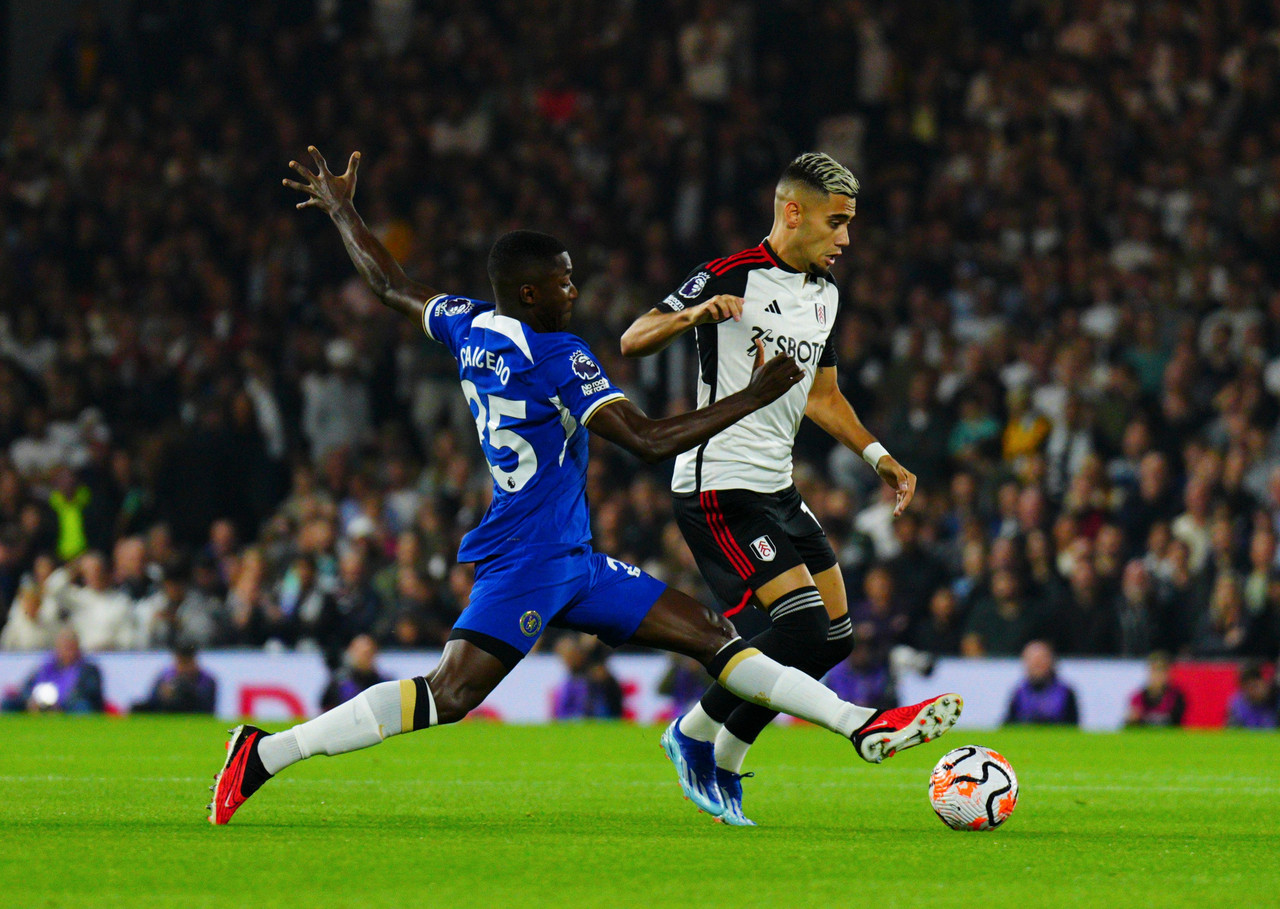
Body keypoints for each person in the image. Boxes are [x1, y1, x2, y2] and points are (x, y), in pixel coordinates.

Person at [204, 147, 961, 828]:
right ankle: (265, 754)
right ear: (531, 295)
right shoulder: (559, 355)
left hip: (575, 555)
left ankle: (860, 723)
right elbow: (648, 440)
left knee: (715, 638)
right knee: (448, 695)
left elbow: (392, 284)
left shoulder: (472, 323)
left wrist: (343, 211)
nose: (576, 287)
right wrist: (758, 390)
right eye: (563, 280)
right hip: (533, 557)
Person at [619, 152, 922, 824]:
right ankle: (692, 733)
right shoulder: (730, 275)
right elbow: (633, 336)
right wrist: (693, 316)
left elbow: (824, 395)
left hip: (776, 485)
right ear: (793, 212)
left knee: (833, 637)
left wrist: (880, 456)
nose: (846, 238)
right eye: (836, 222)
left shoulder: (826, 294)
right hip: (716, 482)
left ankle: (724, 758)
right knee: (799, 624)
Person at [1, 629, 103, 713]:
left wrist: (60, 703)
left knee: (82, 707)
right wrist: (32, 700)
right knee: (8, 704)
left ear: (77, 648)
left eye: (71, 648)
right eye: (64, 648)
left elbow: (89, 693)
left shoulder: (88, 670)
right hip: (40, 704)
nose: (68, 652)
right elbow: (27, 687)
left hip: (68, 706)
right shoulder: (46, 667)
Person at [1003, 640, 1080, 726]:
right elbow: (1008, 726)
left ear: (1051, 661)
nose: (1037, 663)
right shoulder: (1019, 693)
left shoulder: (1065, 693)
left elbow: (1073, 727)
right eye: (1033, 660)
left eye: (1041, 659)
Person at [132, 645, 218, 714]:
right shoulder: (166, 677)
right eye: (180, 663)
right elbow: (152, 700)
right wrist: (163, 695)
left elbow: (207, 707)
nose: (183, 668)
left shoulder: (206, 680)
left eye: (186, 663)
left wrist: (186, 691)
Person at [320, 634, 389, 712]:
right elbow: (326, 707)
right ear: (352, 652)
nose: (365, 657)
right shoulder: (339, 682)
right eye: (362, 653)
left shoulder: (382, 682)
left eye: (368, 653)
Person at [1124, 651, 1186, 727]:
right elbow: (1129, 725)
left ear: (1167, 673)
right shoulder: (1138, 697)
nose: (1158, 675)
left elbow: (1177, 723)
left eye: (1161, 671)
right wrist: (1131, 719)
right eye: (1154, 670)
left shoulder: (1176, 697)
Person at [1225, 662, 1278, 729]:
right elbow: (1232, 731)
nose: (1254, 691)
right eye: (1250, 687)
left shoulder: (1275, 699)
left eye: (1256, 686)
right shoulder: (1238, 705)